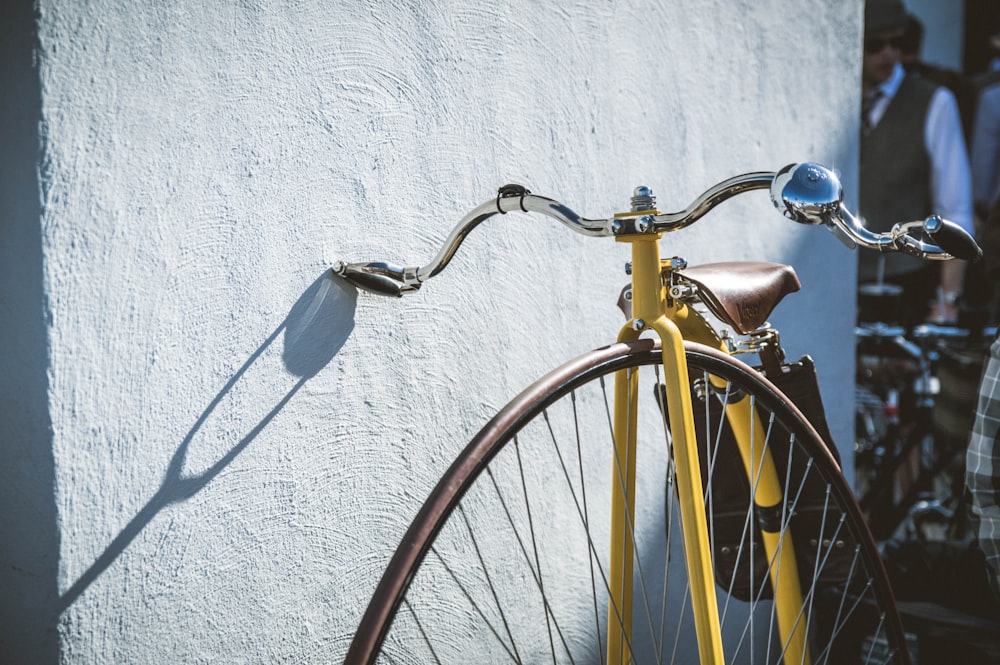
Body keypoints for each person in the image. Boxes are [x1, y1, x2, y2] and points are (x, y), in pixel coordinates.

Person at [859, 0, 974, 326]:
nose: (889, 54)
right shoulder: (839, 101)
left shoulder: (934, 102)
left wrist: (948, 301)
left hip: (907, 284)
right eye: (875, 44)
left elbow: (955, 211)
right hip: (841, 281)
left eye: (898, 43)